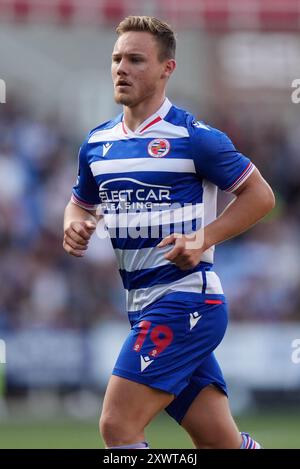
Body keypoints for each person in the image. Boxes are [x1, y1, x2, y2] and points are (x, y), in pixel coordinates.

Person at [63, 16, 275, 449]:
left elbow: (261, 196)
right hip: (140, 306)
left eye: (136, 59)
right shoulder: (97, 143)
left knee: (117, 425)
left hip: (185, 301)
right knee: (222, 444)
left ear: (167, 69)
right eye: (117, 59)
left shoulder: (194, 137)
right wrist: (74, 226)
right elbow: (79, 204)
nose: (122, 68)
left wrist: (203, 238)